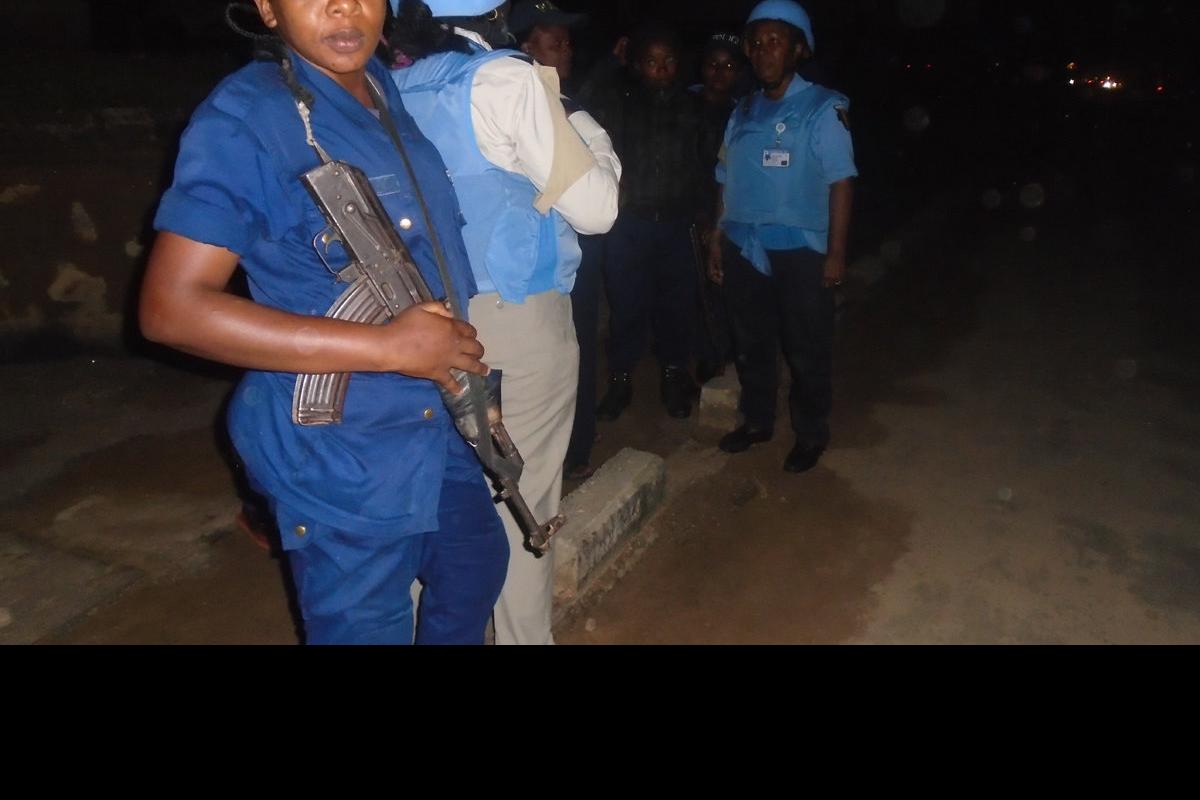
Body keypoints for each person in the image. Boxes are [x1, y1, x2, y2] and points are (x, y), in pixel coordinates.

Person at [140, 0, 509, 644]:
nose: (344, 6)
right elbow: (172, 309)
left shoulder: (378, 86)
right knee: (367, 625)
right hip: (342, 445)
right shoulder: (248, 117)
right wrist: (390, 347)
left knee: (474, 564)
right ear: (267, 8)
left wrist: (461, 379)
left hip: (434, 414)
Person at [388, 0, 620, 644]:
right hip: (514, 318)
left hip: (418, 325)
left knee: (433, 498)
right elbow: (597, 210)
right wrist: (587, 130)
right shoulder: (506, 79)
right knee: (523, 498)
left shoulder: (387, 84)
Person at [708, 0, 856, 473]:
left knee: (806, 346)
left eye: (775, 41)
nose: (763, 51)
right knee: (751, 342)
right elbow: (725, 178)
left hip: (801, 251)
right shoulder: (742, 110)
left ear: (798, 50)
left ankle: (811, 432)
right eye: (756, 43)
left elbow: (841, 182)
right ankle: (757, 422)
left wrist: (836, 252)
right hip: (744, 244)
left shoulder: (823, 107)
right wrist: (717, 237)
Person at [591, 22, 703, 422]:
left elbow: (707, 163)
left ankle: (674, 376)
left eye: (668, 60)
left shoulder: (693, 106)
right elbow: (579, 103)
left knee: (677, 306)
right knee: (627, 307)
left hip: (677, 224)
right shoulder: (617, 101)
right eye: (651, 61)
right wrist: (610, 63)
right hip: (629, 226)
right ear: (637, 64)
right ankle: (621, 380)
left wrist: (705, 217)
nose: (661, 68)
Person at [509, 1, 598, 480]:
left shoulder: (566, 102)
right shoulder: (515, 105)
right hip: (532, 271)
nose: (566, 51)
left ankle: (579, 447)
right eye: (555, 43)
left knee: (581, 348)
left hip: (571, 257)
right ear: (526, 49)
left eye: (568, 42)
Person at [691, 32, 745, 385]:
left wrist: (718, 219)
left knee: (722, 286)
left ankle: (722, 354)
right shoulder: (684, 104)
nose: (719, 73)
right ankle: (700, 355)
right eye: (713, 64)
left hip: (727, 211)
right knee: (691, 289)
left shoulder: (744, 112)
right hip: (687, 208)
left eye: (728, 66)